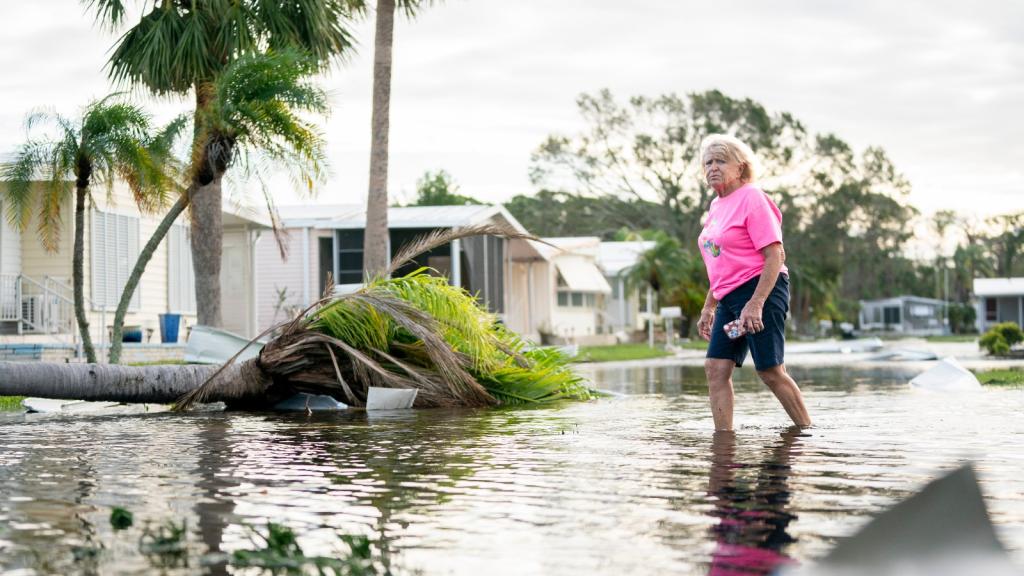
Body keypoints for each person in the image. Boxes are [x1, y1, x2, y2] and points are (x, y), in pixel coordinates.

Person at [696, 134, 811, 431]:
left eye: (721, 161)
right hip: (729, 297)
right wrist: (708, 307)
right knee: (716, 368)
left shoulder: (752, 197)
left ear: (741, 167)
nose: (713, 168)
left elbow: (775, 254)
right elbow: (721, 263)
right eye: (708, 162)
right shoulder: (716, 206)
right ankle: (724, 442)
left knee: (770, 371)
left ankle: (807, 433)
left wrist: (755, 303)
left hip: (761, 289)